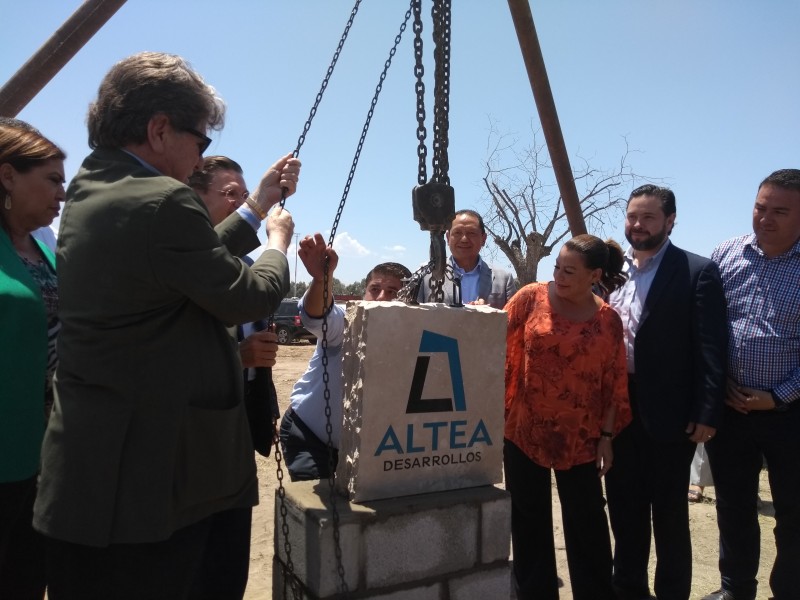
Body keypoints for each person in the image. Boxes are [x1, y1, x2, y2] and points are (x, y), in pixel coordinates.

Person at [31, 52, 301, 600]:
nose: (199, 157)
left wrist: (257, 201)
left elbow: (180, 261)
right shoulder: (164, 201)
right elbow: (245, 292)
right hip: (148, 487)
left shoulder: (100, 187)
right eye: (199, 142)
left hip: (100, 471)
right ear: (159, 129)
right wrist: (277, 242)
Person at [604, 184, 728, 600]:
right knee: (624, 508)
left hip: (670, 414)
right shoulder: (610, 272)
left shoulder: (696, 271)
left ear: (670, 221)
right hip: (617, 410)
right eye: (632, 217)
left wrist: (707, 411)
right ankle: (628, 589)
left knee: (669, 515)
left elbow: (711, 347)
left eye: (648, 217)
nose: (637, 226)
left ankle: (672, 593)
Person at [503, 234, 631, 600]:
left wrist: (607, 437)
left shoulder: (608, 321)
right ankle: (534, 593)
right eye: (557, 267)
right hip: (524, 430)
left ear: (594, 275)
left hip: (582, 437)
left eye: (570, 271)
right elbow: (495, 333)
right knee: (528, 521)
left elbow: (613, 382)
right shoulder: (530, 297)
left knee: (587, 521)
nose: (558, 275)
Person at [701, 169, 800, 600]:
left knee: (794, 515)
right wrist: (718, 383)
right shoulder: (725, 255)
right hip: (732, 410)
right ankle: (734, 589)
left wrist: (778, 396)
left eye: (780, 211)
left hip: (790, 414)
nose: (766, 218)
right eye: (761, 207)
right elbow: (706, 329)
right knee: (734, 507)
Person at [280, 233, 412, 481]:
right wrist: (322, 280)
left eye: (393, 291)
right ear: (363, 293)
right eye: (375, 289)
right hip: (309, 433)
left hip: (362, 448)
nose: (382, 296)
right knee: (323, 517)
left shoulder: (412, 336)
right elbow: (317, 316)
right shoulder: (346, 321)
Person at [0, 119, 65, 600]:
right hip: (4, 452)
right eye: (52, 179)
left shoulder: (45, 246)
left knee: (29, 575)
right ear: (8, 176)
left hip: (45, 452)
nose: (61, 193)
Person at [189, 155, 280, 456]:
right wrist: (237, 357)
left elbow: (259, 353)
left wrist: (268, 410)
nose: (240, 203)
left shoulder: (246, 265)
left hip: (240, 428)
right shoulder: (177, 264)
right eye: (230, 193)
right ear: (194, 196)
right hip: (195, 429)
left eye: (244, 195)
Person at [416, 209, 516, 308]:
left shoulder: (504, 279)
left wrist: (487, 315)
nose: (464, 239)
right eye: (457, 233)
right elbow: (412, 318)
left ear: (483, 239)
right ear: (448, 237)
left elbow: (514, 321)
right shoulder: (426, 273)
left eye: (471, 233)